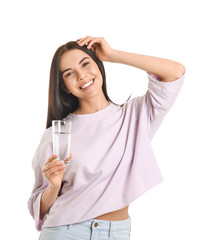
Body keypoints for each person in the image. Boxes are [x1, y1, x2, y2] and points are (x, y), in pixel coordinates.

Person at [28, 36, 185, 240]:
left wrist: (112, 55)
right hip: (64, 231)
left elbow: (175, 72)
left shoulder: (135, 116)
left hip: (117, 232)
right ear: (65, 86)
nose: (82, 75)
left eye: (86, 64)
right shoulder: (56, 134)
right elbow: (38, 208)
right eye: (69, 74)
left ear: (99, 65)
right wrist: (53, 187)